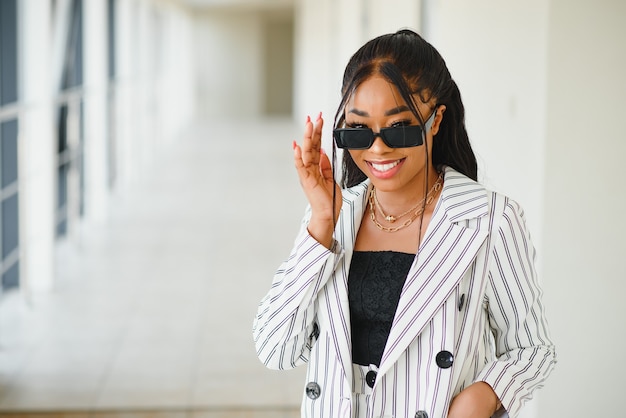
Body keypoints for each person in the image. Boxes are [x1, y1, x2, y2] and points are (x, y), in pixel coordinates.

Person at [253, 29, 556, 418]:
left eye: (399, 127)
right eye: (358, 129)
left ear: (435, 121)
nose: (378, 148)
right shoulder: (333, 217)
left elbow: (532, 349)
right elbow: (275, 349)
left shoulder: (489, 221)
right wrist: (322, 222)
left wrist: (481, 397)